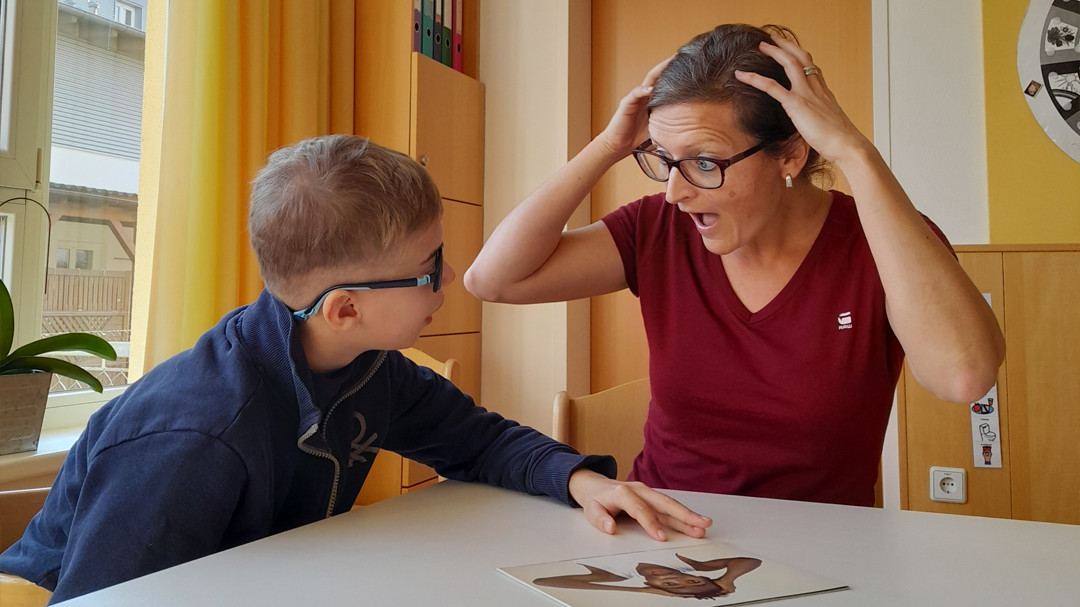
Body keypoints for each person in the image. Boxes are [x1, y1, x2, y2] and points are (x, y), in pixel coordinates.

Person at [0, 135, 712, 603]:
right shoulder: (196, 434)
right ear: (344, 308)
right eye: (429, 269)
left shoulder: (368, 365)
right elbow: (102, 597)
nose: (451, 277)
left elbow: (480, 439)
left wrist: (580, 478)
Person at [464, 24, 1005, 507]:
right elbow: (492, 279)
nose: (676, 192)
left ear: (790, 155)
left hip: (825, 557)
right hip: (662, 538)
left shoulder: (878, 241)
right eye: (664, 160)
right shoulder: (660, 229)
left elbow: (963, 377)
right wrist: (609, 145)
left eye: (704, 162)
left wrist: (854, 153)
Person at [534, 553, 762, 599]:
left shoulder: (616, 576)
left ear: (651, 585)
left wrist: (638, 591)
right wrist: (727, 579)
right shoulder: (690, 563)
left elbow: (543, 582)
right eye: (693, 581)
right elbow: (751, 560)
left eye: (669, 585)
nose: (672, 578)